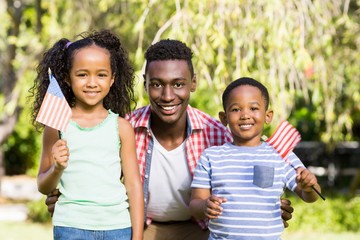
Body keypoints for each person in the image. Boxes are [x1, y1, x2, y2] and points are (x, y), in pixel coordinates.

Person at [45, 39, 295, 240]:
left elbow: (260, 155)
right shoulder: (125, 126)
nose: (167, 95)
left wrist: (270, 205)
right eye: (157, 84)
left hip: (200, 229)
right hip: (145, 228)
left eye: (178, 84)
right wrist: (62, 197)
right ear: (145, 84)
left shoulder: (217, 133)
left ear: (192, 83)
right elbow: (89, 171)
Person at [30, 30, 144, 240]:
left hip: (116, 227)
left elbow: (133, 185)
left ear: (112, 79)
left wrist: (137, 237)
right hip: (70, 226)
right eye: (82, 74)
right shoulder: (56, 125)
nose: (92, 82)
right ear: (67, 77)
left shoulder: (121, 127)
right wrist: (57, 167)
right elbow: (43, 185)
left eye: (101, 75)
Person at [189, 77, 321, 240]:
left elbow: (310, 196)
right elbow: (195, 203)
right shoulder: (211, 156)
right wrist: (204, 206)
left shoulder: (280, 154)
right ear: (224, 118)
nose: (245, 115)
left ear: (268, 115)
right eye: (236, 109)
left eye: (253, 108)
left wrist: (309, 187)